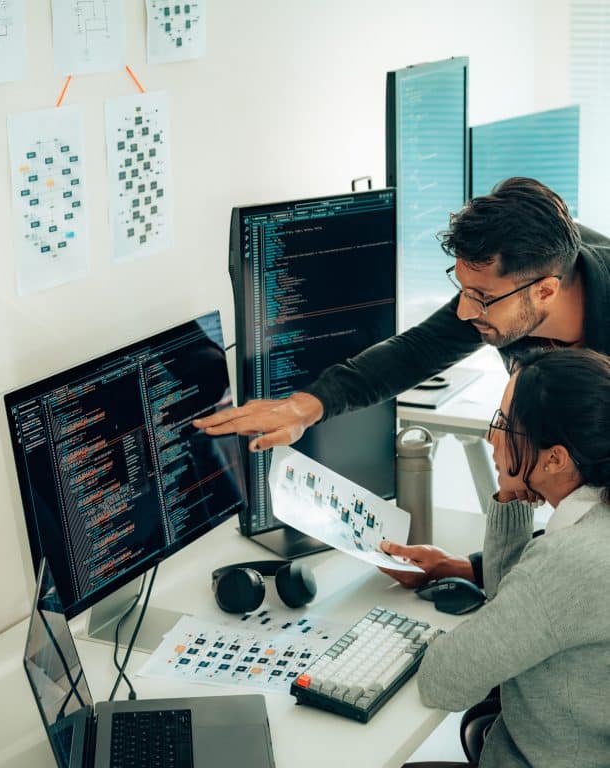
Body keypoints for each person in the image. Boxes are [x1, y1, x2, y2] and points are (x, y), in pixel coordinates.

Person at [193, 177, 610, 585]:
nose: (465, 312)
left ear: (546, 291)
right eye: (463, 288)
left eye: (480, 298)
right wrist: (306, 406)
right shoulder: (513, 288)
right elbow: (417, 351)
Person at [392, 347, 610, 768]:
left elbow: (444, 682)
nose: (492, 437)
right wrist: (512, 494)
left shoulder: (569, 563)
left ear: (556, 458)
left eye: (504, 426)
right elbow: (513, 601)